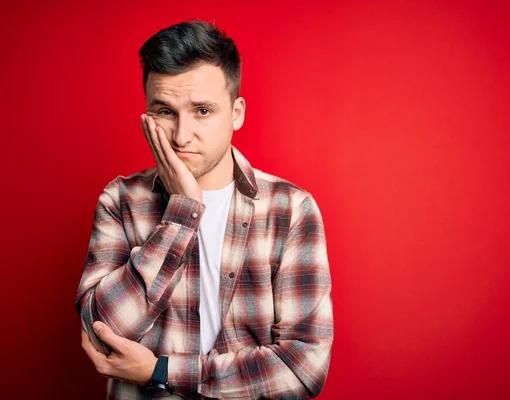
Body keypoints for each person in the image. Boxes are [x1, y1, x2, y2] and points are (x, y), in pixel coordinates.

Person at [76, 20, 334, 399]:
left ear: (236, 113)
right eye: (164, 111)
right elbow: (101, 334)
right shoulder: (121, 201)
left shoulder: (290, 210)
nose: (181, 136)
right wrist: (182, 214)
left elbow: (303, 369)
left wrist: (160, 371)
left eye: (202, 111)